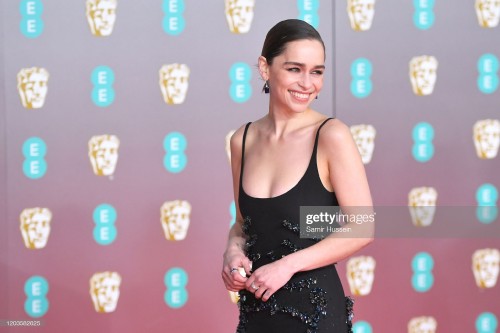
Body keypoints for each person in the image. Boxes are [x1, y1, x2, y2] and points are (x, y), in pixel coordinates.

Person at [222, 19, 374, 333]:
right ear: (265, 68)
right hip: (257, 314)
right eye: (294, 69)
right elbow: (243, 224)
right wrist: (232, 251)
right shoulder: (242, 140)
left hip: (315, 317)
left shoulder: (332, 136)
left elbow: (363, 228)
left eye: (316, 71)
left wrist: (287, 265)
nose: (307, 83)